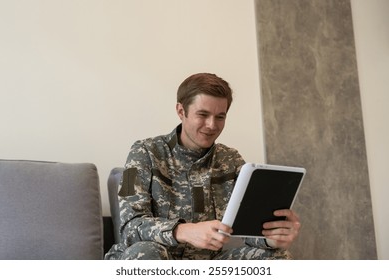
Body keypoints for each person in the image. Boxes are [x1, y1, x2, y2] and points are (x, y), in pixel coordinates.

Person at [105, 73, 301, 260]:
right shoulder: (143, 152)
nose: (211, 125)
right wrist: (183, 231)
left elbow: (247, 229)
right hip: (149, 260)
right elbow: (129, 227)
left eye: (220, 117)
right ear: (181, 111)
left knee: (276, 258)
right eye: (203, 114)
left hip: (207, 264)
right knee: (145, 252)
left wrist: (271, 238)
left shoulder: (231, 160)